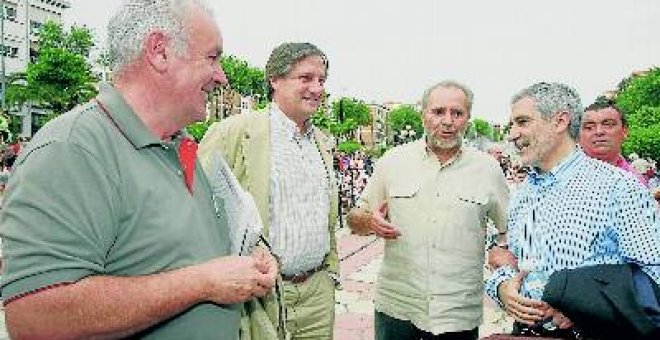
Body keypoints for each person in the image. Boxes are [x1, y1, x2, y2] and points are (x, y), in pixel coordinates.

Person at [0, 1, 278, 339]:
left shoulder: (179, 143)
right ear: (159, 52)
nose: (222, 76)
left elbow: (175, 249)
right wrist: (202, 283)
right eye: (212, 57)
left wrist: (247, 260)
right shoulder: (72, 150)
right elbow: (35, 318)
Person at [486, 82, 660, 339]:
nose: (512, 134)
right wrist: (502, 288)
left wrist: (584, 304)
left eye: (522, 122)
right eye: (512, 124)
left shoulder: (617, 186)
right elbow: (517, 261)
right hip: (527, 332)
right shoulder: (524, 193)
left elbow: (652, 273)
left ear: (560, 121)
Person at [347, 80, 509, 340]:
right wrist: (369, 222)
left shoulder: (488, 169)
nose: (448, 121)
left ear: (468, 118)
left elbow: (508, 231)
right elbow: (355, 218)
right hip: (397, 308)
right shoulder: (393, 161)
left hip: (457, 313)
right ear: (423, 114)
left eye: (457, 113)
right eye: (438, 112)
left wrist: (499, 251)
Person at [199, 42, 339, 339]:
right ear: (275, 80)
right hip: (260, 296)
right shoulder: (232, 133)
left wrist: (330, 275)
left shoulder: (323, 143)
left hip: (318, 295)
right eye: (306, 78)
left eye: (322, 80)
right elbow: (196, 209)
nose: (317, 88)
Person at [579, 97, 647, 185]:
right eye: (589, 127)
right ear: (579, 135)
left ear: (624, 131)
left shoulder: (636, 183)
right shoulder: (563, 176)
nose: (599, 132)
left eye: (608, 125)